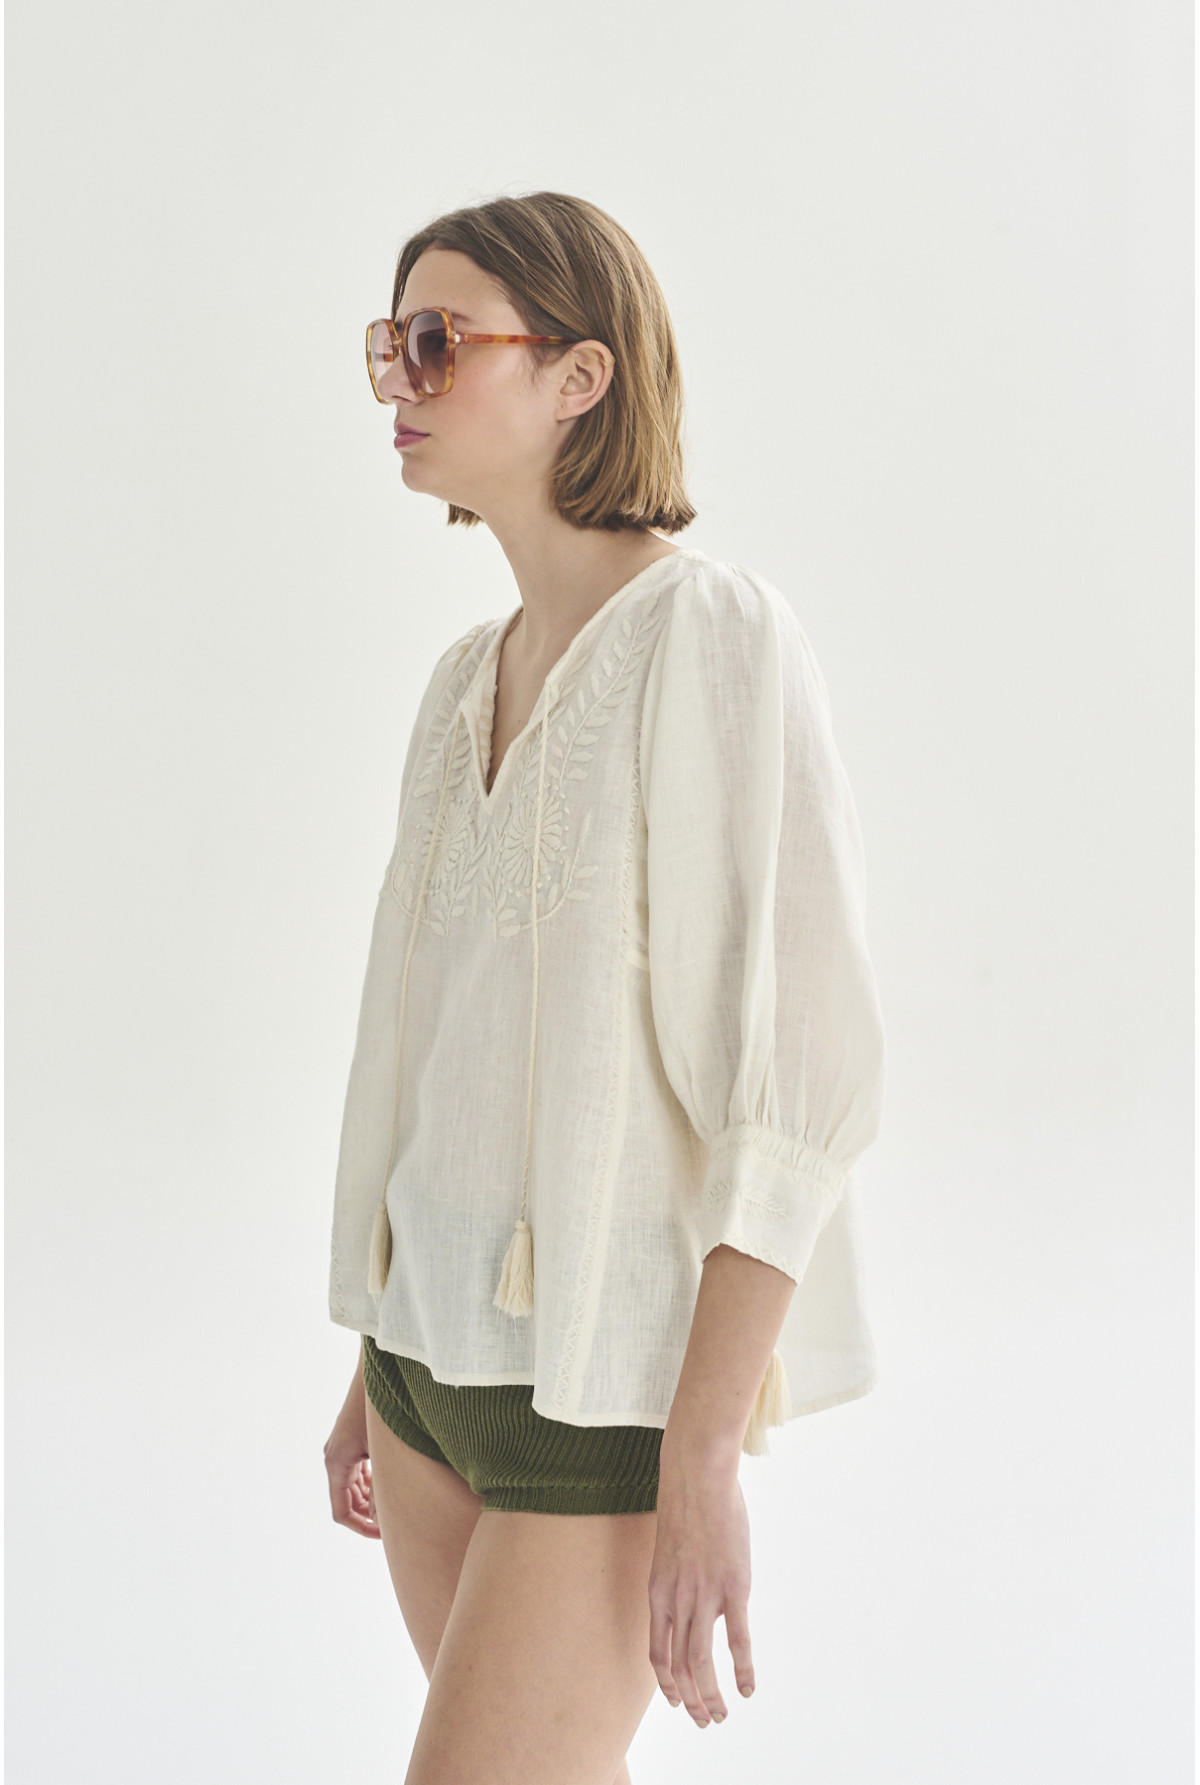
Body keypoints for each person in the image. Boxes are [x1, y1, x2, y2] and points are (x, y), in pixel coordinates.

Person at [321, 190, 887, 1785]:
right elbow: (442, 1063)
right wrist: (370, 1352)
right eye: (390, 345)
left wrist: (701, 1454)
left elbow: (794, 1080)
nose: (402, 380)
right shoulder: (461, 684)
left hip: (599, 1401)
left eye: (440, 341)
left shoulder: (711, 638)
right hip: (422, 1382)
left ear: (582, 377)